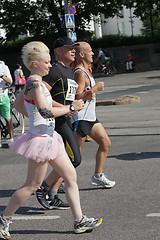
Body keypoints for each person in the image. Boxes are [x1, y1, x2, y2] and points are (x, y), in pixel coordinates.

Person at [0, 41, 102, 239]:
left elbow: (20, 104)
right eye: (46, 62)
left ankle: (79, 220)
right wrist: (71, 109)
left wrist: (34, 115)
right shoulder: (35, 83)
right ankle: (5, 218)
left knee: (70, 176)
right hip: (40, 141)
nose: (49, 65)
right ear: (35, 63)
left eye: (49, 61)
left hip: (49, 137)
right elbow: (46, 111)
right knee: (32, 185)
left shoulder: (35, 81)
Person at [36, 36, 93, 210]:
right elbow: (42, 97)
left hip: (67, 120)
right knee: (74, 159)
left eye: (74, 48)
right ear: (58, 51)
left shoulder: (69, 71)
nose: (73, 50)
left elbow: (71, 96)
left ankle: (50, 194)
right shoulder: (54, 71)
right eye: (69, 48)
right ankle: (44, 188)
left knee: (70, 160)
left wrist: (84, 96)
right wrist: (68, 108)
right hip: (57, 122)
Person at [72, 42, 116, 189]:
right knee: (74, 157)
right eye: (89, 51)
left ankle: (98, 176)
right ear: (81, 54)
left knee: (105, 143)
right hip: (81, 118)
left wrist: (93, 89)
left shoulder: (86, 70)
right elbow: (76, 96)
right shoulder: (79, 72)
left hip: (90, 117)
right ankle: (54, 183)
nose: (93, 53)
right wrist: (94, 89)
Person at [0, 61, 13, 148]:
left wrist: (1, 76)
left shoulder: (3, 66)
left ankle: (11, 139)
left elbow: (10, 81)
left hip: (3, 96)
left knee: (8, 120)